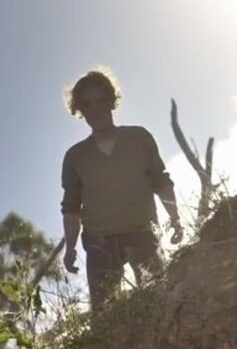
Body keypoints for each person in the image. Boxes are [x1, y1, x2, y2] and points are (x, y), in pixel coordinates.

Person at [60, 68, 183, 311]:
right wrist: (71, 247)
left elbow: (161, 181)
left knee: (161, 303)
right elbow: (71, 206)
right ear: (80, 111)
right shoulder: (75, 156)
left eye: (99, 101)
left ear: (110, 101)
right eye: (86, 105)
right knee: (105, 317)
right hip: (99, 244)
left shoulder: (138, 138)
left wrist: (175, 218)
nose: (94, 109)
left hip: (143, 235)